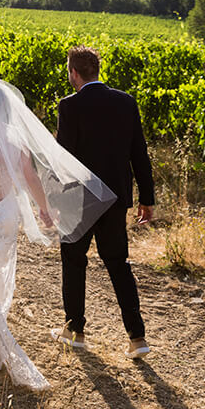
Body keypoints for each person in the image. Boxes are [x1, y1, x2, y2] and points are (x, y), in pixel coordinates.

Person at [0, 77, 115, 390]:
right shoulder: (16, 138)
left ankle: (0, 345)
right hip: (7, 215)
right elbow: (30, 179)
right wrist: (43, 209)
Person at [52, 46, 154, 359]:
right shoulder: (126, 102)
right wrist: (146, 199)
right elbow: (139, 153)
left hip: (79, 200)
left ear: (74, 73)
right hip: (115, 199)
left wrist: (55, 200)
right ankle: (137, 338)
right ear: (96, 70)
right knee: (118, 264)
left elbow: (62, 160)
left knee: (73, 261)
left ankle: (75, 330)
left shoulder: (69, 106)